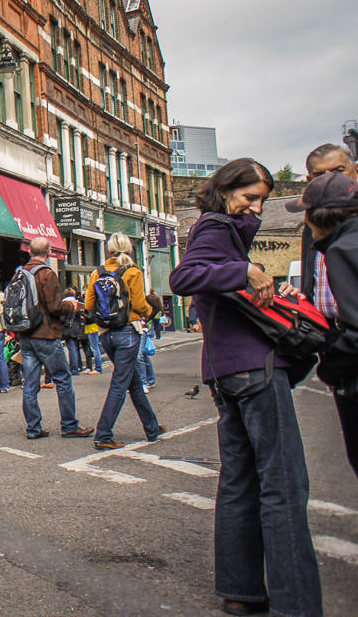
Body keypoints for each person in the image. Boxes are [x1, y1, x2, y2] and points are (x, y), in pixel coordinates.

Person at [170, 158, 321, 617]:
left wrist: (260, 283)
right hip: (254, 369)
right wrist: (246, 272)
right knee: (283, 484)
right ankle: (296, 604)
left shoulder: (220, 229)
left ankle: (240, 591)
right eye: (249, 197)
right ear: (225, 189)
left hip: (226, 370)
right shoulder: (216, 227)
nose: (255, 208)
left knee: (239, 480)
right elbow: (183, 278)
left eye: (260, 199)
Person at [290, 144, 358, 480]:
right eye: (319, 175)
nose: (329, 179)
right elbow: (313, 276)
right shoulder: (314, 228)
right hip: (332, 333)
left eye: (339, 171)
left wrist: (333, 366)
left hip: (348, 342)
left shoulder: (347, 242)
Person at [84, 234, 164, 450]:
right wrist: (150, 312)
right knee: (120, 385)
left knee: (134, 383)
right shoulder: (133, 272)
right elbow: (139, 304)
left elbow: (89, 304)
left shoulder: (97, 272)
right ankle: (103, 434)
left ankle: (152, 427)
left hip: (105, 334)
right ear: (129, 250)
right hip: (129, 332)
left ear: (109, 251)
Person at [16, 238, 94, 440]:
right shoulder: (46, 274)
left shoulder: (20, 273)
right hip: (46, 335)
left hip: (26, 334)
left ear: (30, 251)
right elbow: (54, 307)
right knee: (63, 379)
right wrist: (72, 306)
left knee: (30, 383)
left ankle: (33, 428)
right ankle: (69, 425)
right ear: (49, 252)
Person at [61, 288, 86, 375]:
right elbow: (81, 315)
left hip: (68, 328)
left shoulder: (64, 303)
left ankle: (74, 369)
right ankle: (77, 367)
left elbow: (62, 317)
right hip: (76, 327)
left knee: (71, 349)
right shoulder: (78, 303)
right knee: (75, 348)